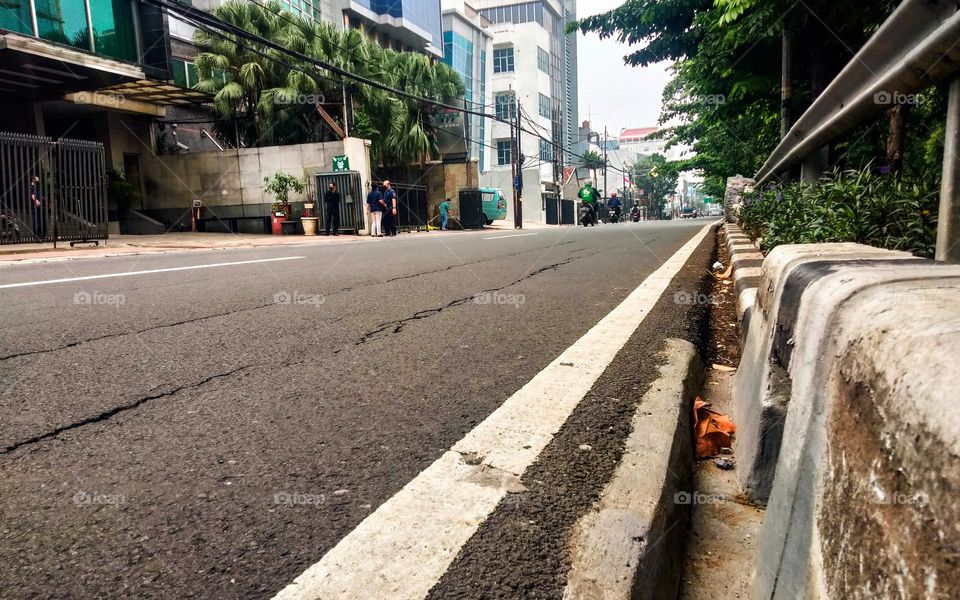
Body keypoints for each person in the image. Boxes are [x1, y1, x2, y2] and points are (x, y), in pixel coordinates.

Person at [30, 175, 45, 240]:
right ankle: (37, 236)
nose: (38, 178)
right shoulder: (31, 187)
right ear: (33, 179)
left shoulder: (37, 187)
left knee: (41, 221)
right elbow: (32, 195)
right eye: (36, 177)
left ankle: (41, 235)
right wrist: (36, 201)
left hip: (40, 206)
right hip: (36, 206)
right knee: (37, 221)